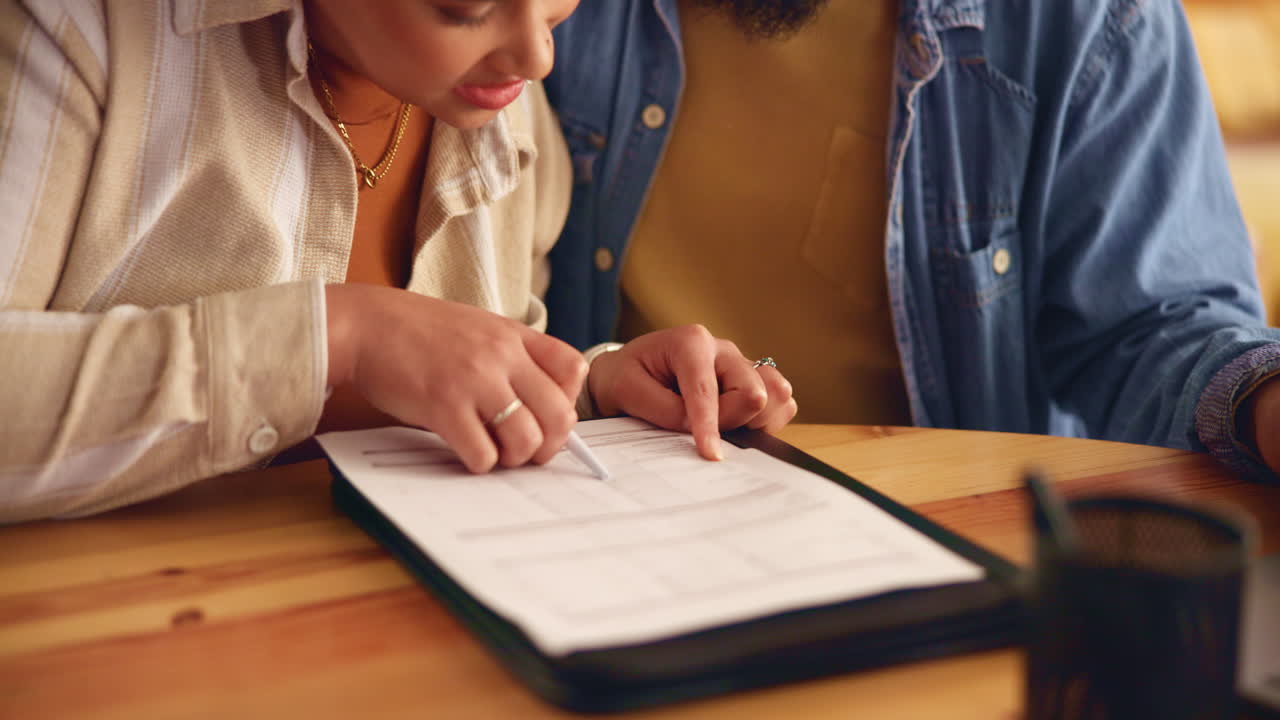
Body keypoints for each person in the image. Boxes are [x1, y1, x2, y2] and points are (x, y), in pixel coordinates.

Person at [0, 0, 796, 524]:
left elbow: (448, 390)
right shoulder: (76, 34)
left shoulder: (508, 112)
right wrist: (341, 335)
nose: (537, 52)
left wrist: (591, 390)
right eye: (467, 6)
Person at [544, 0, 1280, 480]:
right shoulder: (558, 16)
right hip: (599, 499)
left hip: (941, 534)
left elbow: (1153, 327)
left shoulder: (1090, 18)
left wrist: (1264, 400)